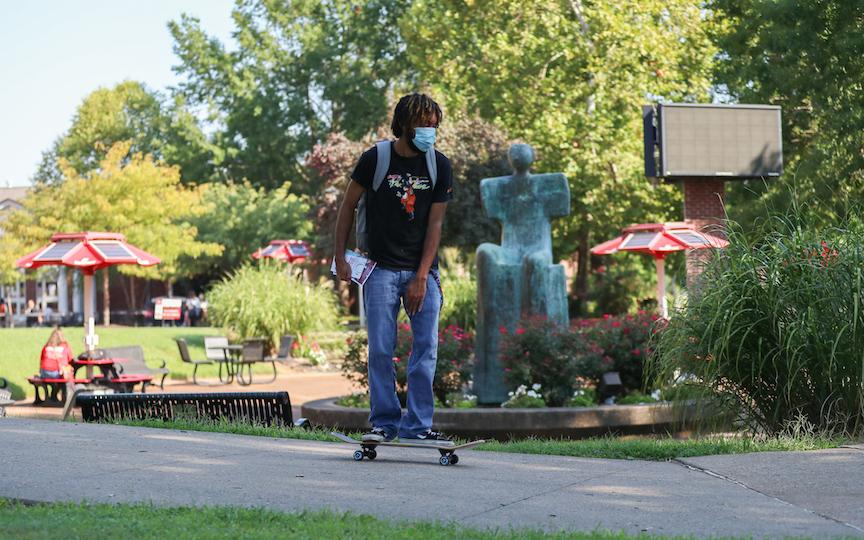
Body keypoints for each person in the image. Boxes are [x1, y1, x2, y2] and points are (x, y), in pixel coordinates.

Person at [333, 93, 454, 445]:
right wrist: (340, 257)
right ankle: (384, 424)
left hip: (423, 271)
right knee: (382, 349)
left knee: (426, 348)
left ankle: (418, 426)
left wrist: (420, 276)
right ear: (404, 124)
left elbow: (435, 226)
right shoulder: (376, 159)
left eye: (434, 125)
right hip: (380, 269)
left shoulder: (438, 165)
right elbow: (347, 206)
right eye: (424, 124)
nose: (431, 131)